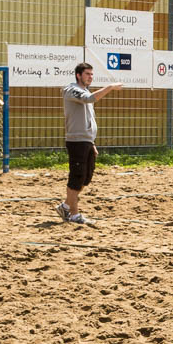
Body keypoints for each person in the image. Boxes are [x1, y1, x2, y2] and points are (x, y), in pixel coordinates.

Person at [57, 61, 122, 224]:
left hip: (86, 141)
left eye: (92, 74)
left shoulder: (85, 90)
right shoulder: (71, 90)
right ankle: (73, 214)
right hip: (76, 141)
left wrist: (91, 142)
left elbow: (88, 114)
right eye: (87, 74)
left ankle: (65, 206)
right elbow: (90, 98)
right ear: (78, 75)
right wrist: (111, 87)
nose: (90, 77)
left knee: (85, 178)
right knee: (77, 177)